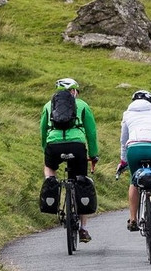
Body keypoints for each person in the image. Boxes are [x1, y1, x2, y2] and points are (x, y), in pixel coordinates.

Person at [40, 78, 99, 243]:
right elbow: (91, 133)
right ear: (74, 91)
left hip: (54, 146)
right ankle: (84, 229)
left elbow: (43, 130)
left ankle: (50, 181)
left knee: (49, 167)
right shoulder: (82, 105)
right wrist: (93, 155)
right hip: (77, 147)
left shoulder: (47, 105)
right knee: (80, 182)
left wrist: (47, 149)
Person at [116, 90, 151, 241]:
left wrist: (123, 161)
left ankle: (133, 219)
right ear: (150, 102)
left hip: (134, 149)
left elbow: (123, 141)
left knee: (134, 182)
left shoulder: (127, 114)